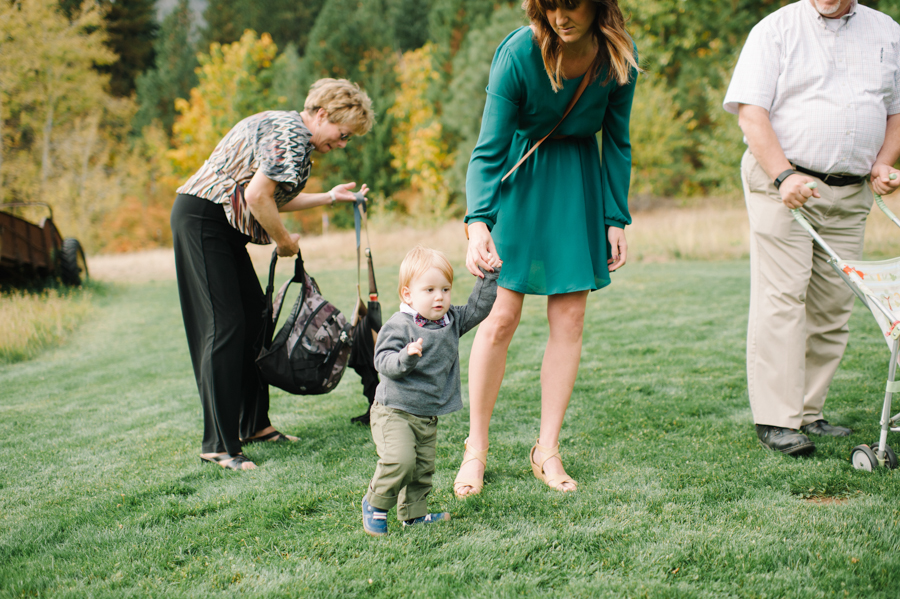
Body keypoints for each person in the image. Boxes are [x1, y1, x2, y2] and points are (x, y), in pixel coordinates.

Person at [454, 0, 639, 497]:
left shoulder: (619, 57)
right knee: (499, 319)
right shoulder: (518, 53)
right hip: (520, 180)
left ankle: (547, 449)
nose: (561, 16)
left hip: (578, 183)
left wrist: (615, 216)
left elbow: (617, 142)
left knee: (570, 320)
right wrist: (478, 222)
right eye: (550, 5)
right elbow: (488, 147)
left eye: (572, 4)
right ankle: (476, 449)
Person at [724, 0, 900, 455]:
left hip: (850, 192)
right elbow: (751, 113)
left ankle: (808, 412)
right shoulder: (775, 29)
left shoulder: (887, 32)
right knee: (783, 298)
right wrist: (783, 175)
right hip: (782, 183)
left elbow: (895, 111)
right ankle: (777, 421)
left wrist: (882, 163)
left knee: (834, 306)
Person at [171, 79, 374, 471]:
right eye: (342, 133)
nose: (342, 143)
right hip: (202, 220)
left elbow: (277, 194)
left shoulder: (296, 140)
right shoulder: (288, 133)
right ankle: (218, 444)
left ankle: (255, 425)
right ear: (321, 114)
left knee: (253, 322)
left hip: (223, 227)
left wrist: (329, 197)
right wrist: (283, 241)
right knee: (226, 327)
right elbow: (257, 197)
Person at [362, 246, 500, 536]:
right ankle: (374, 503)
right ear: (408, 294)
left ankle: (414, 515)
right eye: (430, 290)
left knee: (422, 468)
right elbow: (382, 361)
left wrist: (488, 276)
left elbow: (478, 308)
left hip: (426, 413)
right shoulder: (399, 325)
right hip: (394, 411)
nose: (440, 296)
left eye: (445, 289)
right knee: (400, 460)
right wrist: (406, 357)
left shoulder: (450, 320)